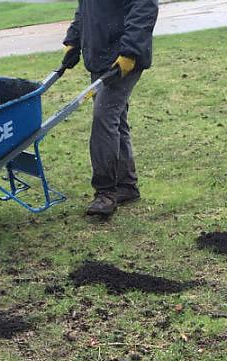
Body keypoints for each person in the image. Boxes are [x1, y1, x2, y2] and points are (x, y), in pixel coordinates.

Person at [60, 0, 159, 217]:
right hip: (100, 56)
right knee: (115, 118)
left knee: (104, 117)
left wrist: (130, 52)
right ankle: (127, 185)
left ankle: (106, 192)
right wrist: (73, 40)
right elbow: (86, 10)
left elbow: (144, 8)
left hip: (123, 58)